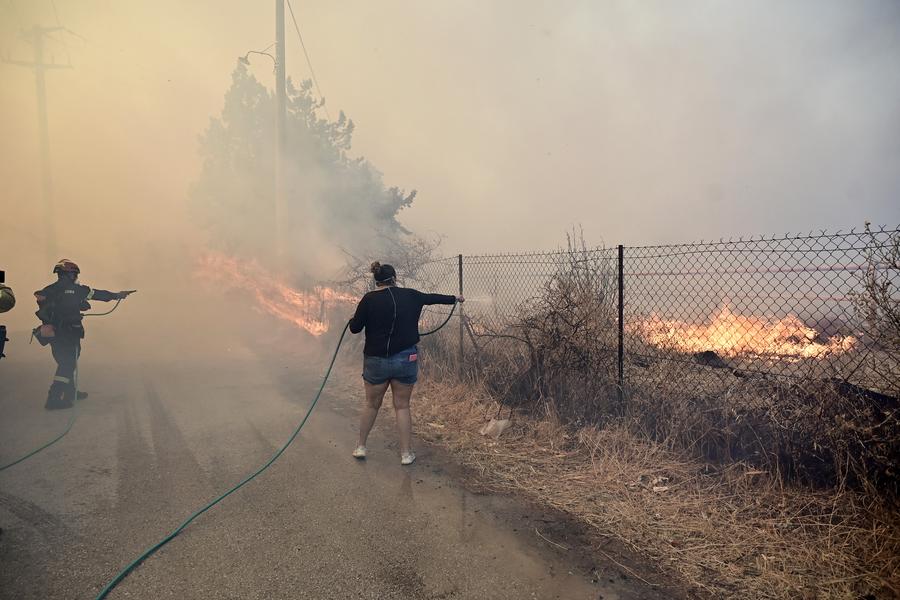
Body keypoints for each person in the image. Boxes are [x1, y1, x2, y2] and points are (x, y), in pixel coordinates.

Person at [348, 262, 463, 465]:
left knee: (371, 404)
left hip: (376, 361)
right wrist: (455, 298)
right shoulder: (411, 295)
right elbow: (433, 298)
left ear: (377, 281)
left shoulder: (369, 299)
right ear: (394, 278)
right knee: (402, 406)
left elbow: (355, 328)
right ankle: (406, 454)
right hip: (405, 359)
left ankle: (361, 447)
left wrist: (353, 320)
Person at [34, 259, 136, 410]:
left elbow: (43, 300)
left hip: (54, 333)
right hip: (68, 332)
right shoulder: (77, 289)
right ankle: (53, 398)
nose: (75, 277)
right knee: (67, 363)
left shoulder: (49, 289)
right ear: (70, 274)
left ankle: (70, 392)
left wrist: (76, 304)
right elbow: (99, 294)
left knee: (66, 361)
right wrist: (117, 295)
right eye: (74, 274)